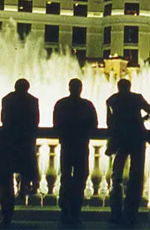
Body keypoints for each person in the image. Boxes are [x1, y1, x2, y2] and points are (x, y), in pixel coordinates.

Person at [105, 79, 150, 227]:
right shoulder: (137, 98)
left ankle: (116, 213)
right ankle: (131, 213)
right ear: (129, 87)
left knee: (116, 177)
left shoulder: (111, 100)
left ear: (118, 87)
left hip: (120, 141)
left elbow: (110, 123)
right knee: (136, 177)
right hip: (137, 140)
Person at [0, 78, 40, 226]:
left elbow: (3, 118)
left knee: (5, 181)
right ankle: (23, 191)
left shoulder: (7, 99)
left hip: (7, 142)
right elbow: (35, 121)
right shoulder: (32, 101)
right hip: (24, 142)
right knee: (26, 172)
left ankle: (7, 214)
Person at [53, 78, 98, 226]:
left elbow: (56, 124)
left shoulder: (61, 104)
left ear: (69, 88)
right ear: (80, 88)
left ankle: (65, 210)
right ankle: (76, 210)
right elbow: (94, 124)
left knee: (65, 178)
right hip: (81, 145)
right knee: (80, 178)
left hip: (67, 145)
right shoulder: (87, 105)